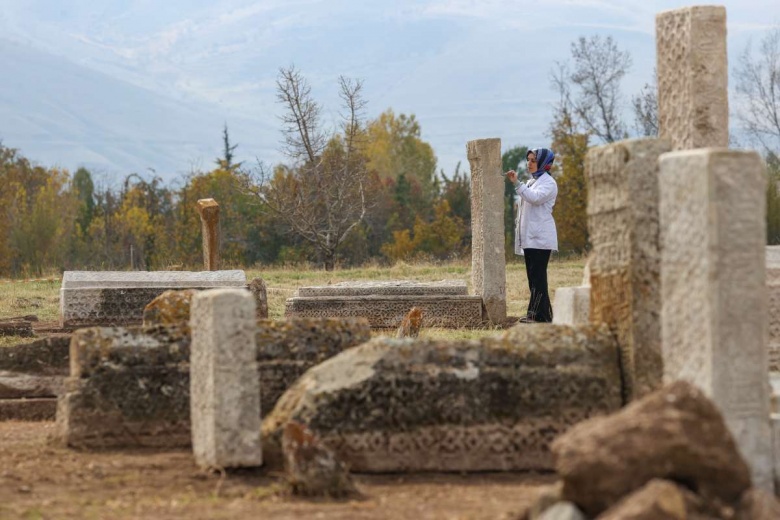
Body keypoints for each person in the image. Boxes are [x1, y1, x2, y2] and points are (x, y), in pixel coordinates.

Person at [505, 148, 558, 323]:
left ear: (544, 163)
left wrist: (517, 184)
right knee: (533, 278)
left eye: (533, 160)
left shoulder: (549, 183)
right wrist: (520, 184)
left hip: (540, 238)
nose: (529, 163)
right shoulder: (530, 182)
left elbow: (535, 198)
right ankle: (537, 314)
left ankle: (540, 316)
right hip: (530, 238)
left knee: (538, 278)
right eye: (528, 160)